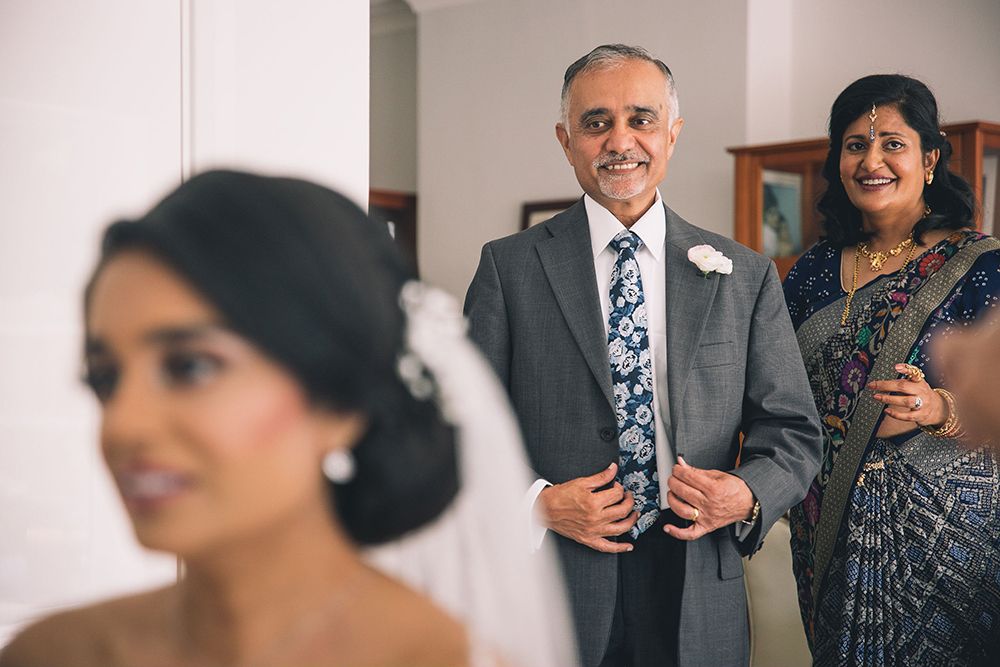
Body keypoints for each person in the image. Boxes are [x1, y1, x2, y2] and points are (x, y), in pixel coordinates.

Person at [0, 171, 575, 667]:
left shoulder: (442, 658)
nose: (122, 426)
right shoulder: (50, 653)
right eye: (105, 379)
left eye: (190, 367)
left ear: (340, 402)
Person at [464, 44, 822, 667]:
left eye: (641, 119)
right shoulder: (508, 268)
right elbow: (460, 430)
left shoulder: (744, 275)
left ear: (672, 133)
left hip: (698, 575)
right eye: (596, 122)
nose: (619, 141)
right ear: (566, 140)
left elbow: (793, 431)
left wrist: (745, 493)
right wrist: (537, 504)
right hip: (554, 582)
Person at [783, 74, 1000, 665]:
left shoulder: (980, 265)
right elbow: (775, 389)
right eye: (855, 145)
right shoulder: (811, 271)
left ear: (929, 159)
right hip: (825, 522)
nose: (871, 161)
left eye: (892, 144)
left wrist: (939, 408)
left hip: (944, 535)